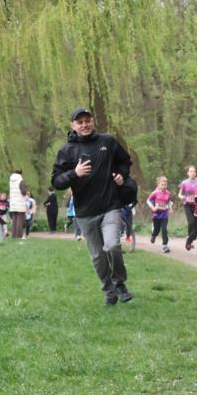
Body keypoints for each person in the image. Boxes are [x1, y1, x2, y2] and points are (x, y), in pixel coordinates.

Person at [51, 107, 137, 306]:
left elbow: (125, 161)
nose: (84, 125)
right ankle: (109, 292)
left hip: (110, 206)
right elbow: (56, 181)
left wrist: (121, 175)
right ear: (73, 125)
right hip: (85, 212)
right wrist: (75, 173)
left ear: (93, 121)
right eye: (79, 122)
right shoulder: (66, 151)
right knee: (98, 256)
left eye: (87, 120)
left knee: (112, 245)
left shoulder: (107, 141)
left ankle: (119, 283)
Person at [146, 176, 173, 253]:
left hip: (164, 215)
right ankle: (153, 235)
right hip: (156, 215)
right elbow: (148, 200)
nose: (164, 186)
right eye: (162, 185)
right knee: (156, 230)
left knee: (164, 229)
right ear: (158, 185)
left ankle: (165, 245)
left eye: (165, 185)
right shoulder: (155, 193)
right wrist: (153, 208)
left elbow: (169, 202)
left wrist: (170, 209)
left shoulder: (168, 193)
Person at [178, 165, 197, 235]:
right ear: (188, 173)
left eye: (194, 172)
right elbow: (179, 194)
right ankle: (190, 236)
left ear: (196, 173)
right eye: (191, 171)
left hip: (196, 205)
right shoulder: (184, 183)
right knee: (191, 222)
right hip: (187, 204)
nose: (193, 173)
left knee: (196, 222)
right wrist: (181, 197)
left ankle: (192, 236)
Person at [8, 169, 28, 239]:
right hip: (20, 202)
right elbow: (23, 192)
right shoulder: (20, 180)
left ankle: (14, 235)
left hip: (13, 202)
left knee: (14, 219)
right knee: (20, 219)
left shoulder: (11, 181)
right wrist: (26, 189)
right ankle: (19, 235)